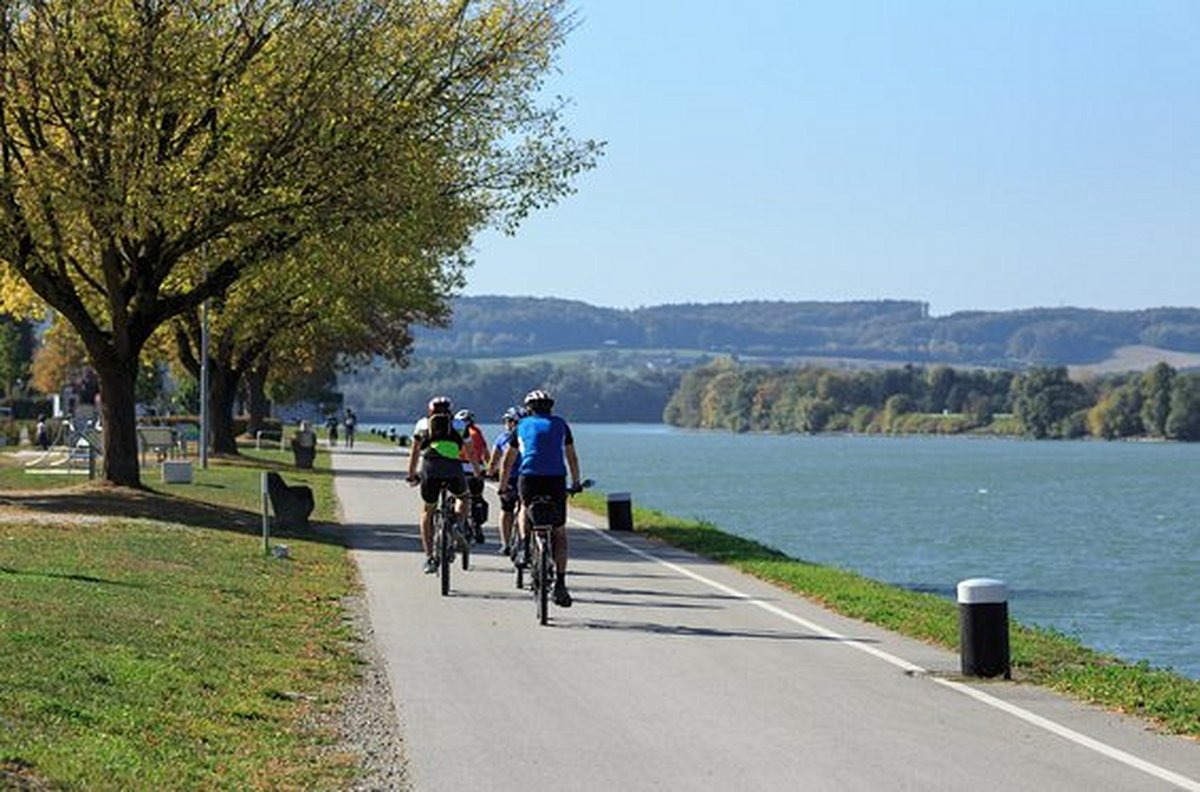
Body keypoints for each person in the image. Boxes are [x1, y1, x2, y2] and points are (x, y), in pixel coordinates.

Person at [499, 390, 583, 608]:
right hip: (555, 479)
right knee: (559, 532)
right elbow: (571, 456)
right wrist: (576, 482)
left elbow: (508, 460)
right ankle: (561, 584)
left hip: (529, 478)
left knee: (525, 509)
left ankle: (524, 548)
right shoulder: (561, 425)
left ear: (529, 408)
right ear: (550, 407)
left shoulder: (521, 426)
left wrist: (501, 486)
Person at [407, 397, 483, 574]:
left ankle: (429, 558)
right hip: (452, 467)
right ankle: (458, 523)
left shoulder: (422, 424)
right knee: (463, 496)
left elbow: (415, 452)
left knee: (428, 510)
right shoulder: (458, 424)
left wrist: (411, 474)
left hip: (430, 467)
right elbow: (470, 452)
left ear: (430, 411)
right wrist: (478, 472)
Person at [486, 407, 523, 556]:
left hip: (509, 478)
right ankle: (518, 541)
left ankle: (506, 544)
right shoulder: (528, 436)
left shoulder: (503, 438)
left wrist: (489, 473)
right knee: (521, 508)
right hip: (526, 477)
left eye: (508, 421)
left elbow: (494, 460)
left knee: (507, 510)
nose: (506, 424)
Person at [455, 409, 489, 543]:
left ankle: (459, 524)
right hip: (476, 471)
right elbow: (486, 455)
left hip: (459, 470)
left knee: (458, 496)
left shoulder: (457, 433)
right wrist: (489, 470)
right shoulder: (478, 433)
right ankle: (478, 527)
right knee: (477, 498)